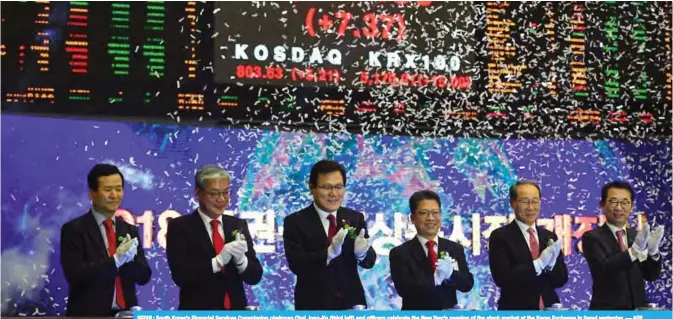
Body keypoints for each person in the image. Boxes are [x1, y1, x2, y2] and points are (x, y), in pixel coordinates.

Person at [283, 160, 377, 310]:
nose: (333, 193)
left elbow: (369, 262)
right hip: (313, 306)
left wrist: (362, 254)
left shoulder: (354, 218)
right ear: (312, 187)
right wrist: (328, 254)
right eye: (326, 187)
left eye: (338, 187)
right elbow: (297, 264)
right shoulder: (295, 222)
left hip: (352, 305)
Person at [166, 165, 262, 310]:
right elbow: (181, 276)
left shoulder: (237, 224)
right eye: (214, 194)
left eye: (226, 192)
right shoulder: (180, 227)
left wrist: (242, 261)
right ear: (198, 194)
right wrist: (217, 262)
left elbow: (255, 277)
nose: (221, 199)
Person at [60, 164, 151, 316]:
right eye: (108, 190)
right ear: (92, 193)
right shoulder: (74, 230)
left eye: (119, 189)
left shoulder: (129, 229)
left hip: (126, 313)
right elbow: (76, 275)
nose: (114, 195)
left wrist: (131, 260)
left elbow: (144, 277)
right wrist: (115, 260)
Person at [581, 181, 663, 310]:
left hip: (638, 311)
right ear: (602, 205)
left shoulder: (637, 237)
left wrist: (653, 254)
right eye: (613, 201)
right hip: (607, 312)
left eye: (625, 202)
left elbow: (651, 275)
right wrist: (634, 251)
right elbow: (604, 269)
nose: (619, 208)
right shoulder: (592, 237)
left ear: (631, 206)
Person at [488, 180, 568, 310]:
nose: (531, 207)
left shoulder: (549, 236)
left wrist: (550, 267)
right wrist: (538, 264)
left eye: (535, 201)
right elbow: (502, 278)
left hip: (549, 309)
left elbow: (560, 280)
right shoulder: (500, 236)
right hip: (516, 310)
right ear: (513, 203)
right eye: (525, 201)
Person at [389, 190, 474, 310]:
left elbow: (467, 284)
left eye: (435, 212)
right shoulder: (400, 253)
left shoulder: (454, 248)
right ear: (412, 218)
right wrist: (435, 278)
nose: (430, 218)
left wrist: (451, 275)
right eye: (424, 213)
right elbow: (404, 289)